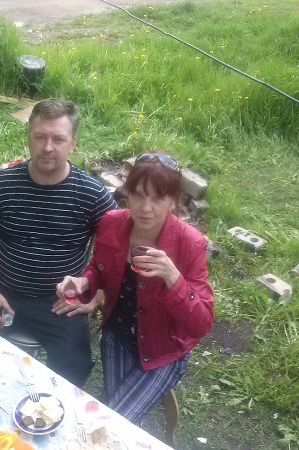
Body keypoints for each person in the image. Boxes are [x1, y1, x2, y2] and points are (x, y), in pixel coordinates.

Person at [0, 99, 116, 387]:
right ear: (28, 138)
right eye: (40, 137)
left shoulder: (93, 195)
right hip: (1, 290)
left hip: (59, 302)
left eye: (58, 139)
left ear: (73, 143)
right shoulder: (3, 185)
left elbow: (117, 253)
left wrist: (96, 298)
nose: (47, 147)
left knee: (73, 367)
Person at [55, 152, 214, 423]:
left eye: (158, 198)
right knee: (118, 417)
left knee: (112, 421)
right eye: (138, 195)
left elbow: (201, 324)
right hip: (117, 336)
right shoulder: (112, 223)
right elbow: (98, 267)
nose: (145, 207)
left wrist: (173, 277)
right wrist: (84, 282)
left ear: (173, 201)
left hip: (163, 350)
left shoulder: (190, 243)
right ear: (127, 193)